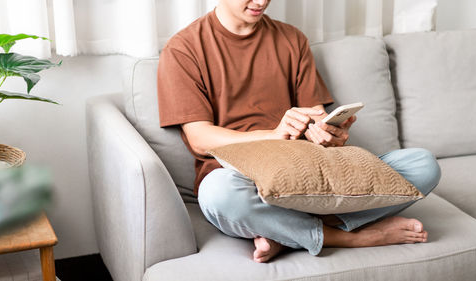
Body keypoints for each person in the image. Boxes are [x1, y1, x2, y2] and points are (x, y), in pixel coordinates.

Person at [157, 0, 441, 263]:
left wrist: (329, 135)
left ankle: (282, 232)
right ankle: (347, 237)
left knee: (423, 165)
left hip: (302, 172)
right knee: (218, 195)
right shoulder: (183, 49)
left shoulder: (291, 39)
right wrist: (273, 134)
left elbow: (314, 117)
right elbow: (199, 139)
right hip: (238, 178)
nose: (261, 1)